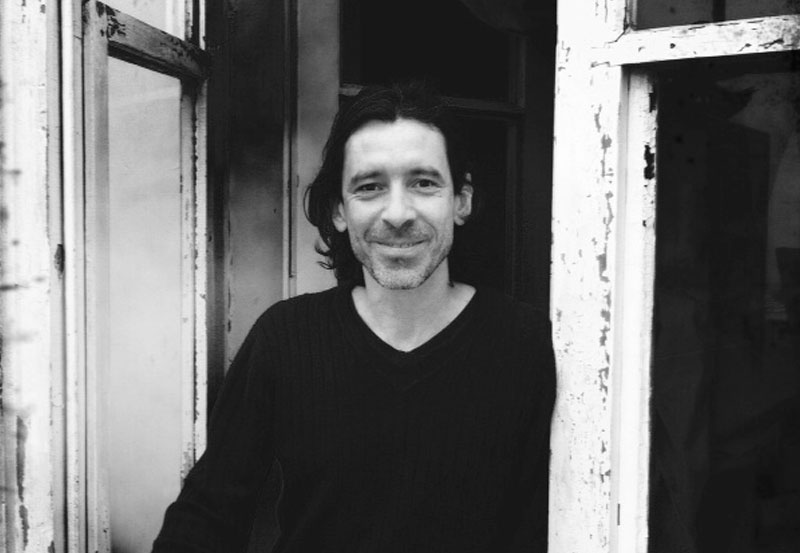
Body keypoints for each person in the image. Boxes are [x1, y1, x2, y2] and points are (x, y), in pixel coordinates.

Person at [151, 82, 556, 553]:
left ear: (461, 200)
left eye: (424, 183)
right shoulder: (286, 338)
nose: (398, 214)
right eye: (370, 187)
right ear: (339, 211)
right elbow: (207, 517)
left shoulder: (525, 342)